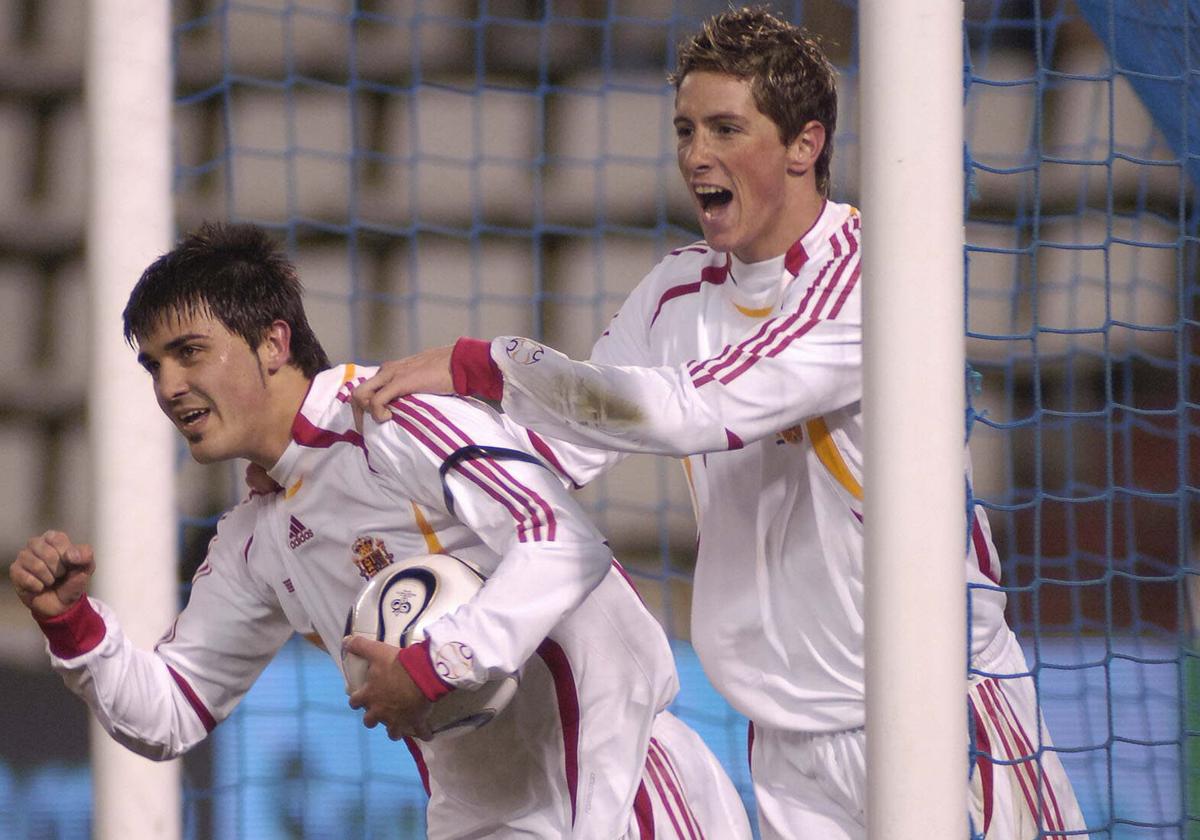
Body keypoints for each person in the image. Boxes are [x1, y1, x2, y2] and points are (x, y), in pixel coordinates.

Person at [350, 7, 1088, 839]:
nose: (697, 154)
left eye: (727, 128)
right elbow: (554, 448)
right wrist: (372, 458)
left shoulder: (873, 277)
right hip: (785, 746)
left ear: (805, 145)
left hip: (937, 710)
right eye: (686, 129)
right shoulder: (674, 292)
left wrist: (486, 365)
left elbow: (693, 409)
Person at [8, 222, 753, 840]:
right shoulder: (254, 540)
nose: (169, 387)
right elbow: (170, 712)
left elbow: (564, 543)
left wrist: (434, 668)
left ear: (272, 343)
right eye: (154, 366)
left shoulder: (394, 417)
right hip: (486, 821)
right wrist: (73, 626)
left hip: (617, 791)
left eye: (190, 352)